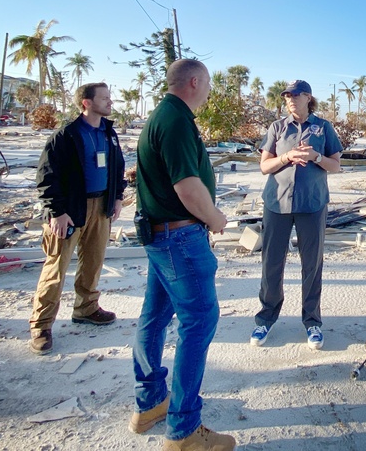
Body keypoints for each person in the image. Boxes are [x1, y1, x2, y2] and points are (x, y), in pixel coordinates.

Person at [130, 59, 235, 451]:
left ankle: (151, 403)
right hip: (179, 240)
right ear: (194, 81)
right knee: (199, 321)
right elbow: (188, 188)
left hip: (163, 239)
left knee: (154, 318)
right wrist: (215, 217)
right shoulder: (174, 120)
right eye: (207, 84)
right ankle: (184, 432)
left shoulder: (164, 115)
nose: (209, 92)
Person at [29, 82, 125, 355]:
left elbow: (117, 167)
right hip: (70, 210)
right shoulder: (66, 136)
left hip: (101, 207)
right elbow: (46, 178)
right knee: (55, 269)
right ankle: (41, 324)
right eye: (104, 98)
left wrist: (117, 197)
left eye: (110, 97)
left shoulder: (109, 133)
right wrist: (56, 212)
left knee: (93, 262)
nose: (110, 102)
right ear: (86, 102)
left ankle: (86, 308)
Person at [251, 79, 342, 350]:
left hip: (312, 204)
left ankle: (312, 322)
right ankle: (265, 319)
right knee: (271, 263)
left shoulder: (323, 127)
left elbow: (335, 166)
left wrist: (315, 156)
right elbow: (264, 167)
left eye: (296, 94)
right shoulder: (277, 128)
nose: (290, 99)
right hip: (277, 204)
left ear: (308, 98)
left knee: (312, 264)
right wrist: (287, 157)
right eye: (287, 95)